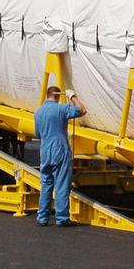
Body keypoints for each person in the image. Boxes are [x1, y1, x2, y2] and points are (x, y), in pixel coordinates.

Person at [33, 83, 86, 227]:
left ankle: (42, 217)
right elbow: (82, 110)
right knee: (62, 184)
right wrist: (72, 96)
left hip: (45, 151)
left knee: (46, 184)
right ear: (58, 96)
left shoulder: (38, 112)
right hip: (60, 150)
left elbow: (37, 134)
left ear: (47, 96)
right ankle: (62, 218)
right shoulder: (61, 109)